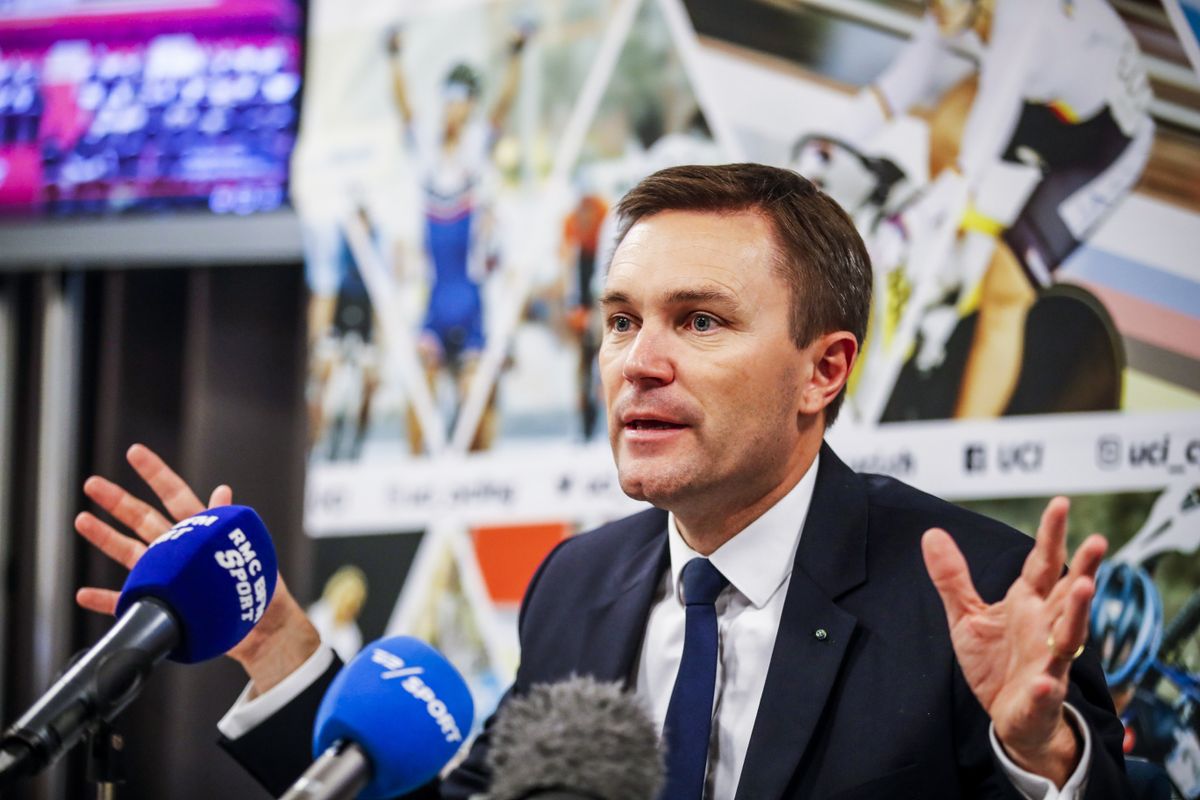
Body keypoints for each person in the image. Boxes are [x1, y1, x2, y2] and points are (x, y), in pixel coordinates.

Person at [75, 164, 1130, 798]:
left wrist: (1041, 754)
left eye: (699, 320)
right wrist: (284, 652)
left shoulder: (973, 595)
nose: (639, 360)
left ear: (825, 369)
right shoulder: (577, 584)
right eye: (622, 319)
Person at [797, 0, 1154, 419]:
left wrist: (917, 218)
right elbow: (896, 89)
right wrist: (818, 153)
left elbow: (979, 151)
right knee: (949, 119)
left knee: (1007, 289)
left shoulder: (1023, 19)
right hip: (1046, 106)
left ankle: (963, 448)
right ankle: (950, 278)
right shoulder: (956, 6)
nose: (931, 6)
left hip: (1105, 145)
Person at [388, 27, 528, 453]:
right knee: (417, 389)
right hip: (435, 301)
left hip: (470, 304)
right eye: (446, 100)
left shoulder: (476, 150)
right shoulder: (428, 151)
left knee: (474, 405)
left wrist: (516, 56)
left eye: (458, 100)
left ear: (469, 106)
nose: (450, 109)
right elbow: (405, 108)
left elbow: (503, 105)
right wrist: (394, 57)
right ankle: (418, 483)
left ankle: (476, 481)